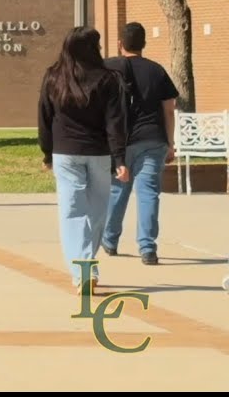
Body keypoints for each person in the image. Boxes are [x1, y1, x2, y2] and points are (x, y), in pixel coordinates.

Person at [38, 26, 130, 291]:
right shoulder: (108, 79)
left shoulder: (54, 76)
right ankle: (85, 269)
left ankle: (84, 268)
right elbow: (116, 122)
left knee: (74, 212)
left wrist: (47, 152)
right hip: (98, 154)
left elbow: (44, 118)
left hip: (66, 153)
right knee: (97, 212)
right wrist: (119, 158)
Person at [102, 22, 179, 265]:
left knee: (117, 190)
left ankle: (109, 240)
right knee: (148, 193)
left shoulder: (109, 69)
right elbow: (169, 109)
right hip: (152, 139)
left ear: (120, 44)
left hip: (121, 141)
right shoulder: (157, 71)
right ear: (144, 44)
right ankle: (147, 248)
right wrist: (170, 143)